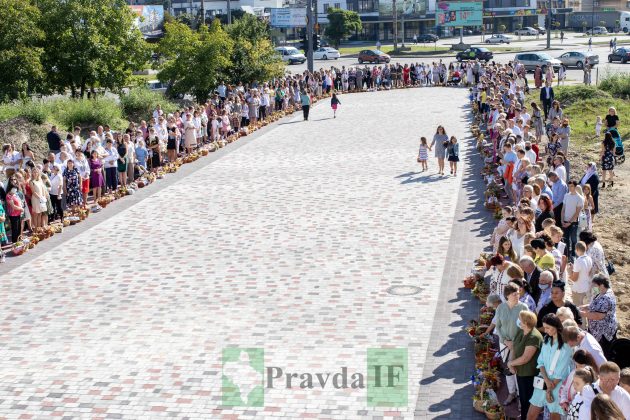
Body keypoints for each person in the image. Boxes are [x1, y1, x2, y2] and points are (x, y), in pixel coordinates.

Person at [527, 313, 573, 420]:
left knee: (554, 417)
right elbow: (541, 362)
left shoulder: (566, 345)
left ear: (556, 326)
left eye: (548, 327)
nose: (545, 330)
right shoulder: (547, 340)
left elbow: (561, 372)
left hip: (557, 386)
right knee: (530, 415)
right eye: (544, 327)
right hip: (544, 382)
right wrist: (547, 382)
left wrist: (549, 388)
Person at [496, 282, 529, 405]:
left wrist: (515, 343)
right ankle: (511, 393)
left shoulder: (523, 308)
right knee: (507, 367)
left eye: (518, 293)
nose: (517, 296)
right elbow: (498, 327)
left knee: (517, 368)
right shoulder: (500, 308)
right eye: (514, 294)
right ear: (507, 295)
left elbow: (527, 328)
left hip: (519, 344)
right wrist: (505, 340)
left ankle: (521, 396)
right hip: (504, 343)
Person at [507, 310, 543, 419]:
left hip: (530, 374)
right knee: (523, 399)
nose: (518, 320)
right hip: (520, 372)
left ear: (526, 323)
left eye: (520, 319)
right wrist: (512, 365)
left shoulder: (534, 337)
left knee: (527, 401)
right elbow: (514, 347)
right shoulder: (521, 331)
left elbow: (525, 358)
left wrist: (510, 364)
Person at [580, 275, 618, 359]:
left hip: (603, 332)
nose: (593, 288)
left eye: (595, 285)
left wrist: (582, 314)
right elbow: (595, 304)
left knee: (602, 352)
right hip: (596, 329)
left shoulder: (606, 298)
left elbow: (598, 316)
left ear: (601, 285)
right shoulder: (603, 293)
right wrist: (585, 307)